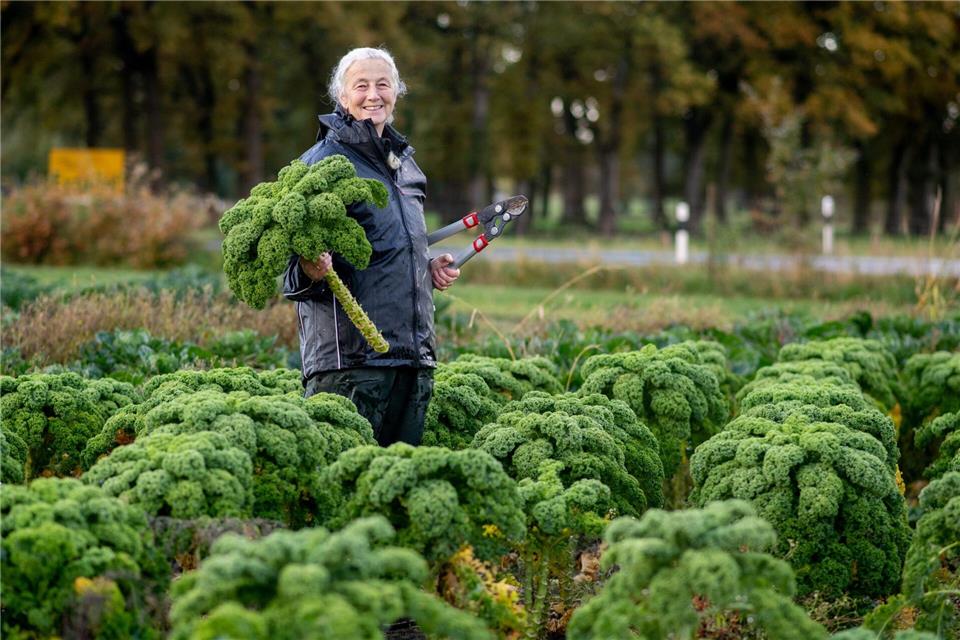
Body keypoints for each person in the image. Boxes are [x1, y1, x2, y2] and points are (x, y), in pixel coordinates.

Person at [283, 47, 459, 447]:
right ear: (342, 97)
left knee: (395, 486)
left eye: (383, 84)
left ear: (397, 91)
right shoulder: (322, 163)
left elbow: (388, 248)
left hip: (412, 360)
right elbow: (289, 273)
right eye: (361, 85)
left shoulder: (407, 167)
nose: (373, 94)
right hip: (352, 365)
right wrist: (310, 270)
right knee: (343, 484)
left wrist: (425, 267)